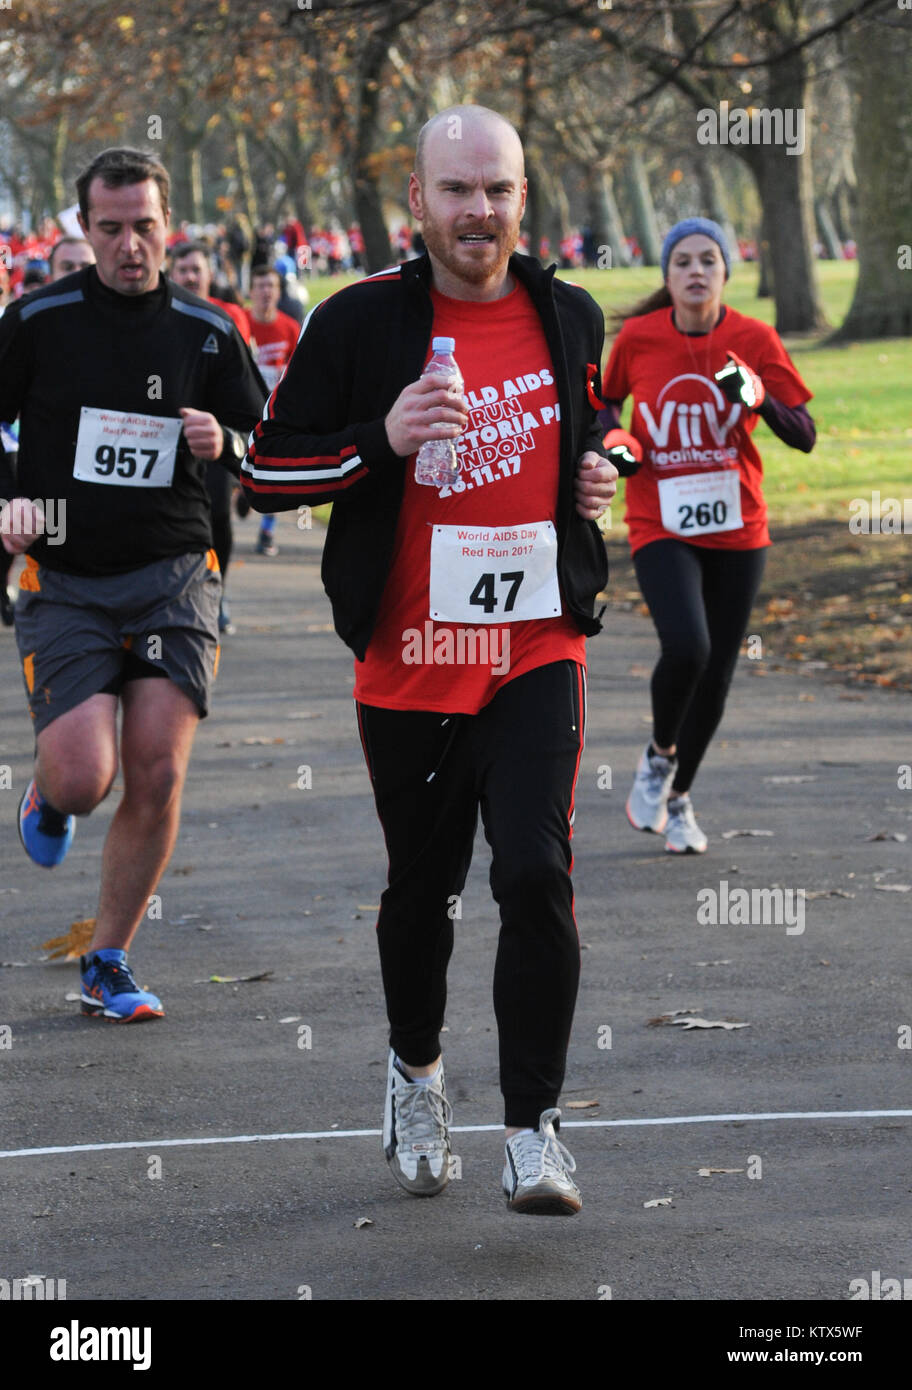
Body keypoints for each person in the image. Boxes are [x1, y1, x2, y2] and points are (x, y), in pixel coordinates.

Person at [242, 105, 617, 1215]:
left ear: (524, 199)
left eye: (497, 190)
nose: (478, 211)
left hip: (532, 646)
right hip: (408, 659)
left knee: (534, 874)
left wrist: (595, 471)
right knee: (425, 890)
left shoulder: (569, 312)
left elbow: (588, 428)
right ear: (417, 203)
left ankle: (536, 1131)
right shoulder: (358, 324)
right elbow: (267, 474)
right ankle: (415, 1070)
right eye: (456, 191)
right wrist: (382, 441)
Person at [0, 146, 265, 1021]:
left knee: (155, 772)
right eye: (108, 229)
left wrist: (224, 443)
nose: (128, 246)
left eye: (144, 226)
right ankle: (49, 789)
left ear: (168, 223)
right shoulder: (36, 321)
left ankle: (108, 959)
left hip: (175, 574)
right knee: (86, 779)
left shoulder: (208, 328)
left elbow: (274, 445)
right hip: (66, 577)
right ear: (84, 228)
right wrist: (9, 503)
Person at [599, 217, 815, 853]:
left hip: (739, 526)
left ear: (726, 272)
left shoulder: (754, 337)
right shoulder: (638, 339)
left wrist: (756, 398)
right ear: (668, 277)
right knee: (688, 647)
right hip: (660, 517)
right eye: (683, 262)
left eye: (708, 261)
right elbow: (607, 404)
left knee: (719, 668)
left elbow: (803, 434)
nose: (696, 271)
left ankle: (681, 798)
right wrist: (618, 442)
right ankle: (659, 755)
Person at [169, 241, 252, 632]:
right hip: (171, 440)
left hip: (217, 439)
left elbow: (243, 381)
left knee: (218, 516)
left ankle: (217, 594)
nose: (189, 276)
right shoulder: (163, 317)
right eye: (182, 269)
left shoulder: (229, 317)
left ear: (209, 274)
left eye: (196, 269)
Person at [245, 265, 300, 555]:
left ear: (278, 292)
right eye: (260, 286)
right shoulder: (239, 323)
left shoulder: (290, 328)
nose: (266, 292)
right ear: (251, 292)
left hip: (274, 414)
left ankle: (267, 531)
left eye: (271, 286)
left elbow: (299, 372)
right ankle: (239, 495)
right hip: (242, 410)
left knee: (271, 471)